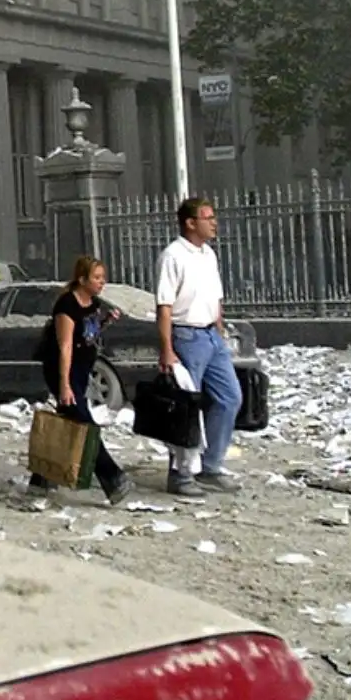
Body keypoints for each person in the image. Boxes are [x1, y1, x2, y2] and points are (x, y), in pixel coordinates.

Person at [155, 197, 244, 498]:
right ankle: (180, 473)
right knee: (185, 408)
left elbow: (215, 298)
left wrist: (219, 331)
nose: (214, 222)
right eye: (207, 217)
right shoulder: (173, 255)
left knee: (230, 397)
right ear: (190, 222)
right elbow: (164, 306)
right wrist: (166, 348)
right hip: (187, 336)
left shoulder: (209, 255)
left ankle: (211, 466)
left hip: (210, 335)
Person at [31, 256, 133, 503]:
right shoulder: (67, 306)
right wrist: (64, 385)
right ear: (82, 279)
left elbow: (88, 335)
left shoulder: (93, 304)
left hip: (82, 370)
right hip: (62, 370)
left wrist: (106, 322)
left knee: (70, 422)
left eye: (102, 278)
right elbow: (65, 346)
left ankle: (41, 479)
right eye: (97, 278)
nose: (102, 283)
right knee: (85, 425)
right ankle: (113, 479)